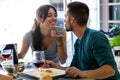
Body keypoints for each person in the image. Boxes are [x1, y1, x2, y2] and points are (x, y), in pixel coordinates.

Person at [44, 1, 120, 79]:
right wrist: (55, 67)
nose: (64, 20)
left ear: (72, 20)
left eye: (66, 16)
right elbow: (73, 69)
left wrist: (84, 74)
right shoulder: (78, 43)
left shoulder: (96, 37)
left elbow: (110, 70)